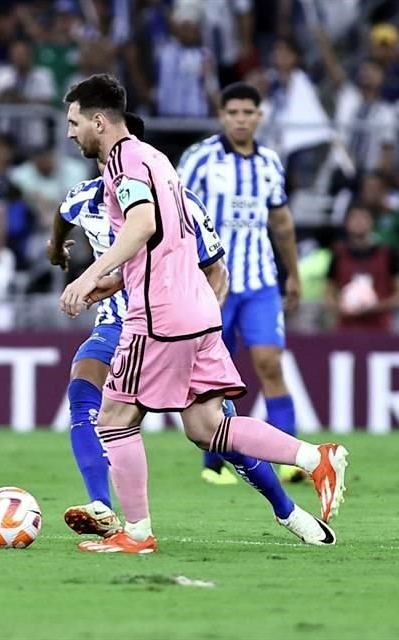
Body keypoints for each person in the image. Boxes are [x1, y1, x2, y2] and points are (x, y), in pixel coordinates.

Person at [59, 74, 348, 554]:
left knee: (114, 418)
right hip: (197, 305)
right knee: (206, 426)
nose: (70, 132)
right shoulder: (161, 163)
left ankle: (136, 534)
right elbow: (164, 245)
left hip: (158, 314)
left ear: (98, 120)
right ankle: (314, 457)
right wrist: (107, 285)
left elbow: (142, 225)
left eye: (73, 122)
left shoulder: (124, 162)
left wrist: (90, 275)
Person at [177, 82, 304, 484]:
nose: (241, 119)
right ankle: (214, 464)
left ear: (259, 116)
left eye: (248, 112)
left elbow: (281, 223)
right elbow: (174, 214)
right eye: (233, 112)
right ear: (222, 115)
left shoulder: (269, 163)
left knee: (270, 363)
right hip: (211, 286)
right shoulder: (199, 159)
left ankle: (287, 457)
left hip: (261, 282)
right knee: (214, 377)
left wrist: (294, 274)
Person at [325, 205, 399, 332]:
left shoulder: (388, 253)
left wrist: (375, 307)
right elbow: (328, 292)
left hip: (379, 329)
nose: (359, 221)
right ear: (346, 223)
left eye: (363, 218)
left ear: (372, 222)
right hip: (346, 329)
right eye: (354, 217)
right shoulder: (338, 254)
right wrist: (341, 308)